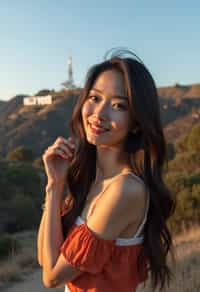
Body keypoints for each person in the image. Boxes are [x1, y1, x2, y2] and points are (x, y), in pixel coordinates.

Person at [37, 48, 176, 292]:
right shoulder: (90, 178)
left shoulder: (125, 189)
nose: (99, 114)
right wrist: (55, 185)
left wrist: (56, 190)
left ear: (136, 121)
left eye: (119, 106)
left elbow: (51, 277)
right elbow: (45, 257)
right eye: (95, 98)